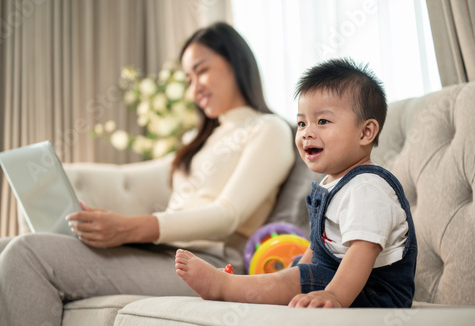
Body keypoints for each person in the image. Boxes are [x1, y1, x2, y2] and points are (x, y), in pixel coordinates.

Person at [0, 22, 295, 326]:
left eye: (202, 70)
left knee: (26, 254)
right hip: (162, 251)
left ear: (236, 63)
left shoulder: (268, 129)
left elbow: (229, 215)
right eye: (187, 78)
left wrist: (130, 227)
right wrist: (101, 223)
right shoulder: (200, 142)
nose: (194, 86)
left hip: (209, 264)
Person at [175, 58, 418, 308]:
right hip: (340, 281)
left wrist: (334, 295)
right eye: (302, 123)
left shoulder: (368, 187)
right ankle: (245, 288)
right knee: (297, 271)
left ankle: (224, 287)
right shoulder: (332, 185)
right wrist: (297, 275)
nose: (306, 132)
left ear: (366, 132)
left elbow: (363, 251)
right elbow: (317, 247)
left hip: (376, 293)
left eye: (322, 121)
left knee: (298, 278)